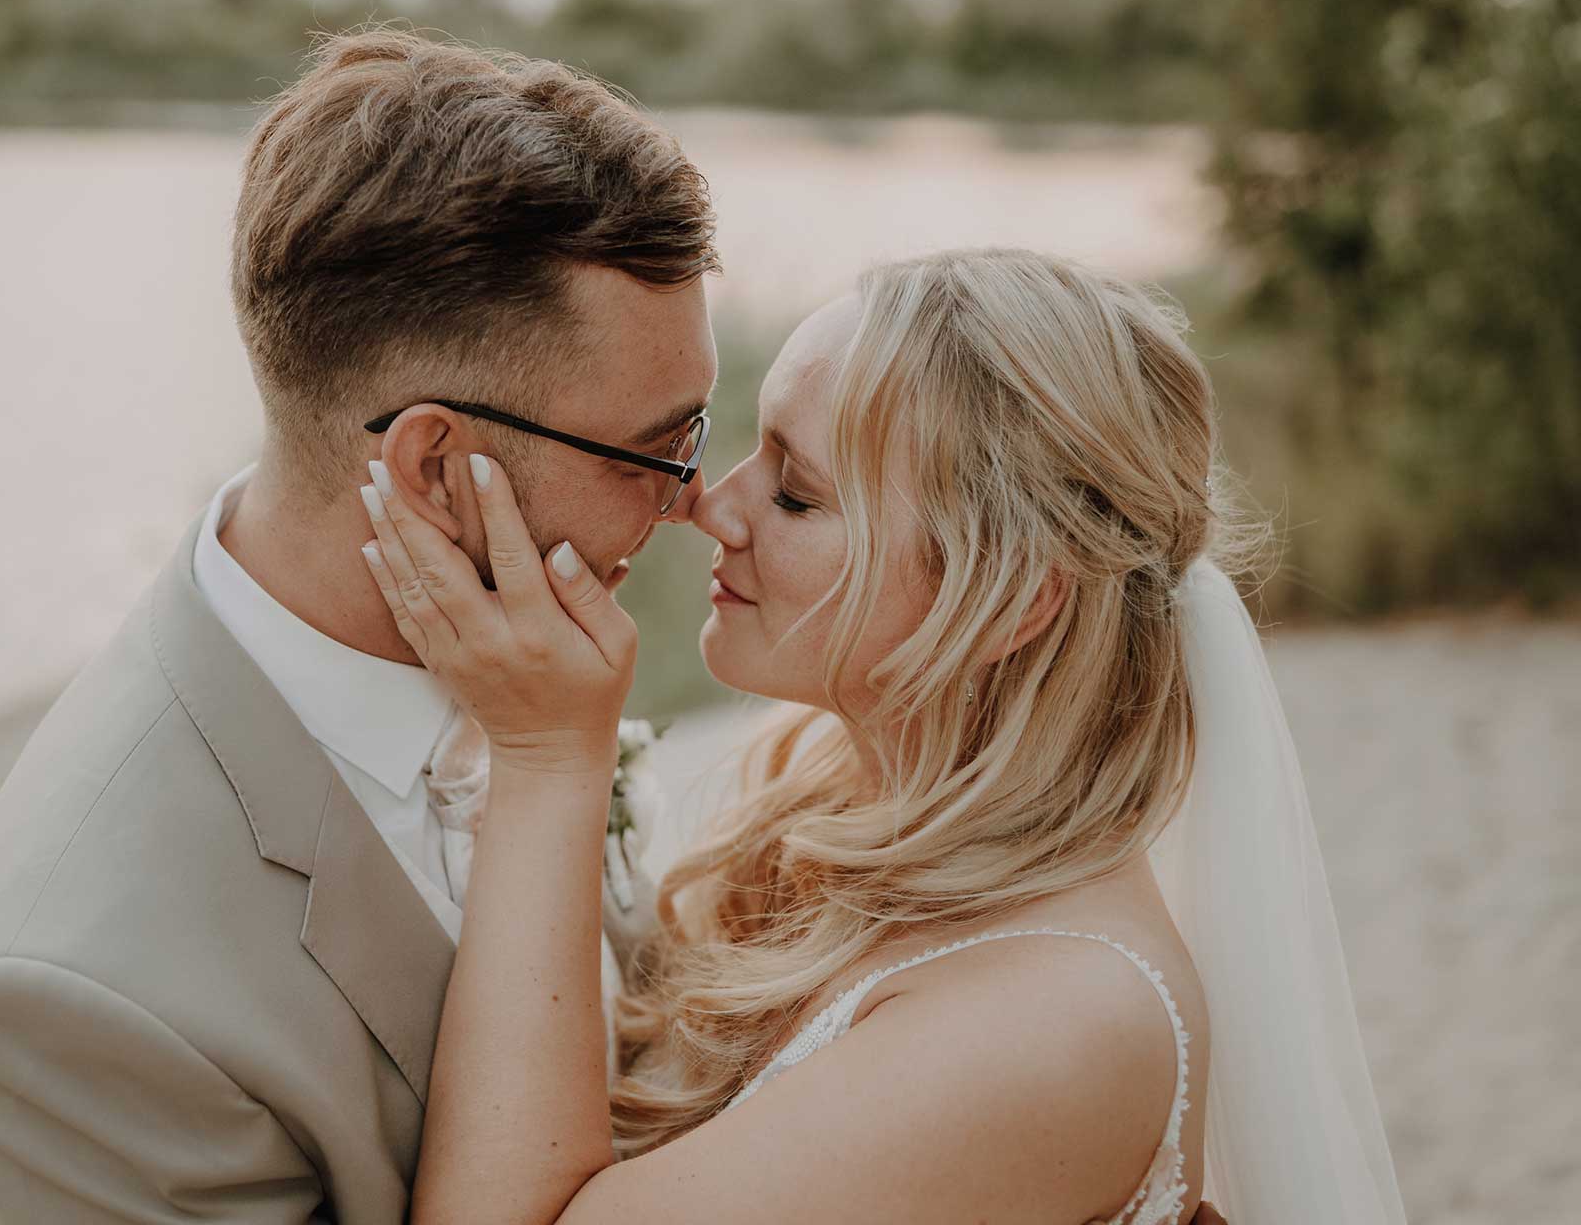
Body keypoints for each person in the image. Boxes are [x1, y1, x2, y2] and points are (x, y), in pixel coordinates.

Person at [358, 249, 1404, 1223]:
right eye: (749, 449)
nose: (712, 509)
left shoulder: (1060, 1018)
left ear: (1009, 600)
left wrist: (548, 761)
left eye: (799, 491)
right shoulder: (815, 786)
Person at [0, 30, 717, 1223]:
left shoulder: (517, 640)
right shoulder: (77, 995)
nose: (695, 498)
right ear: (439, 468)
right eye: (659, 449)